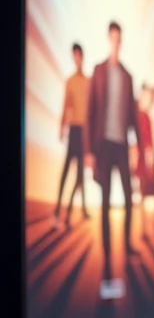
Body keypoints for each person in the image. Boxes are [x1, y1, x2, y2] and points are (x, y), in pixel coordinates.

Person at [87, 21, 141, 290]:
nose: (116, 43)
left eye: (120, 39)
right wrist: (88, 151)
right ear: (109, 39)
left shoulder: (128, 76)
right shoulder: (98, 71)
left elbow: (132, 114)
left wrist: (138, 146)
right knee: (106, 203)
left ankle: (128, 245)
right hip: (103, 145)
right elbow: (90, 112)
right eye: (114, 38)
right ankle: (107, 256)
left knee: (129, 200)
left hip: (121, 145)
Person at [54, 43, 90, 228]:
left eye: (79, 55)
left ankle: (68, 213)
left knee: (80, 176)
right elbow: (66, 106)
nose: (77, 59)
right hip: (74, 131)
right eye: (74, 56)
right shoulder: (70, 82)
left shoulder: (87, 81)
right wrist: (62, 127)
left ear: (82, 57)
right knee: (67, 171)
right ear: (73, 58)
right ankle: (57, 210)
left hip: (84, 133)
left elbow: (91, 109)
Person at [133, 84, 154, 242]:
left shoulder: (144, 117)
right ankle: (145, 228)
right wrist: (149, 164)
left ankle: (148, 227)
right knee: (144, 196)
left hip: (145, 162)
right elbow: (145, 144)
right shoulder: (142, 117)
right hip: (144, 163)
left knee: (146, 196)